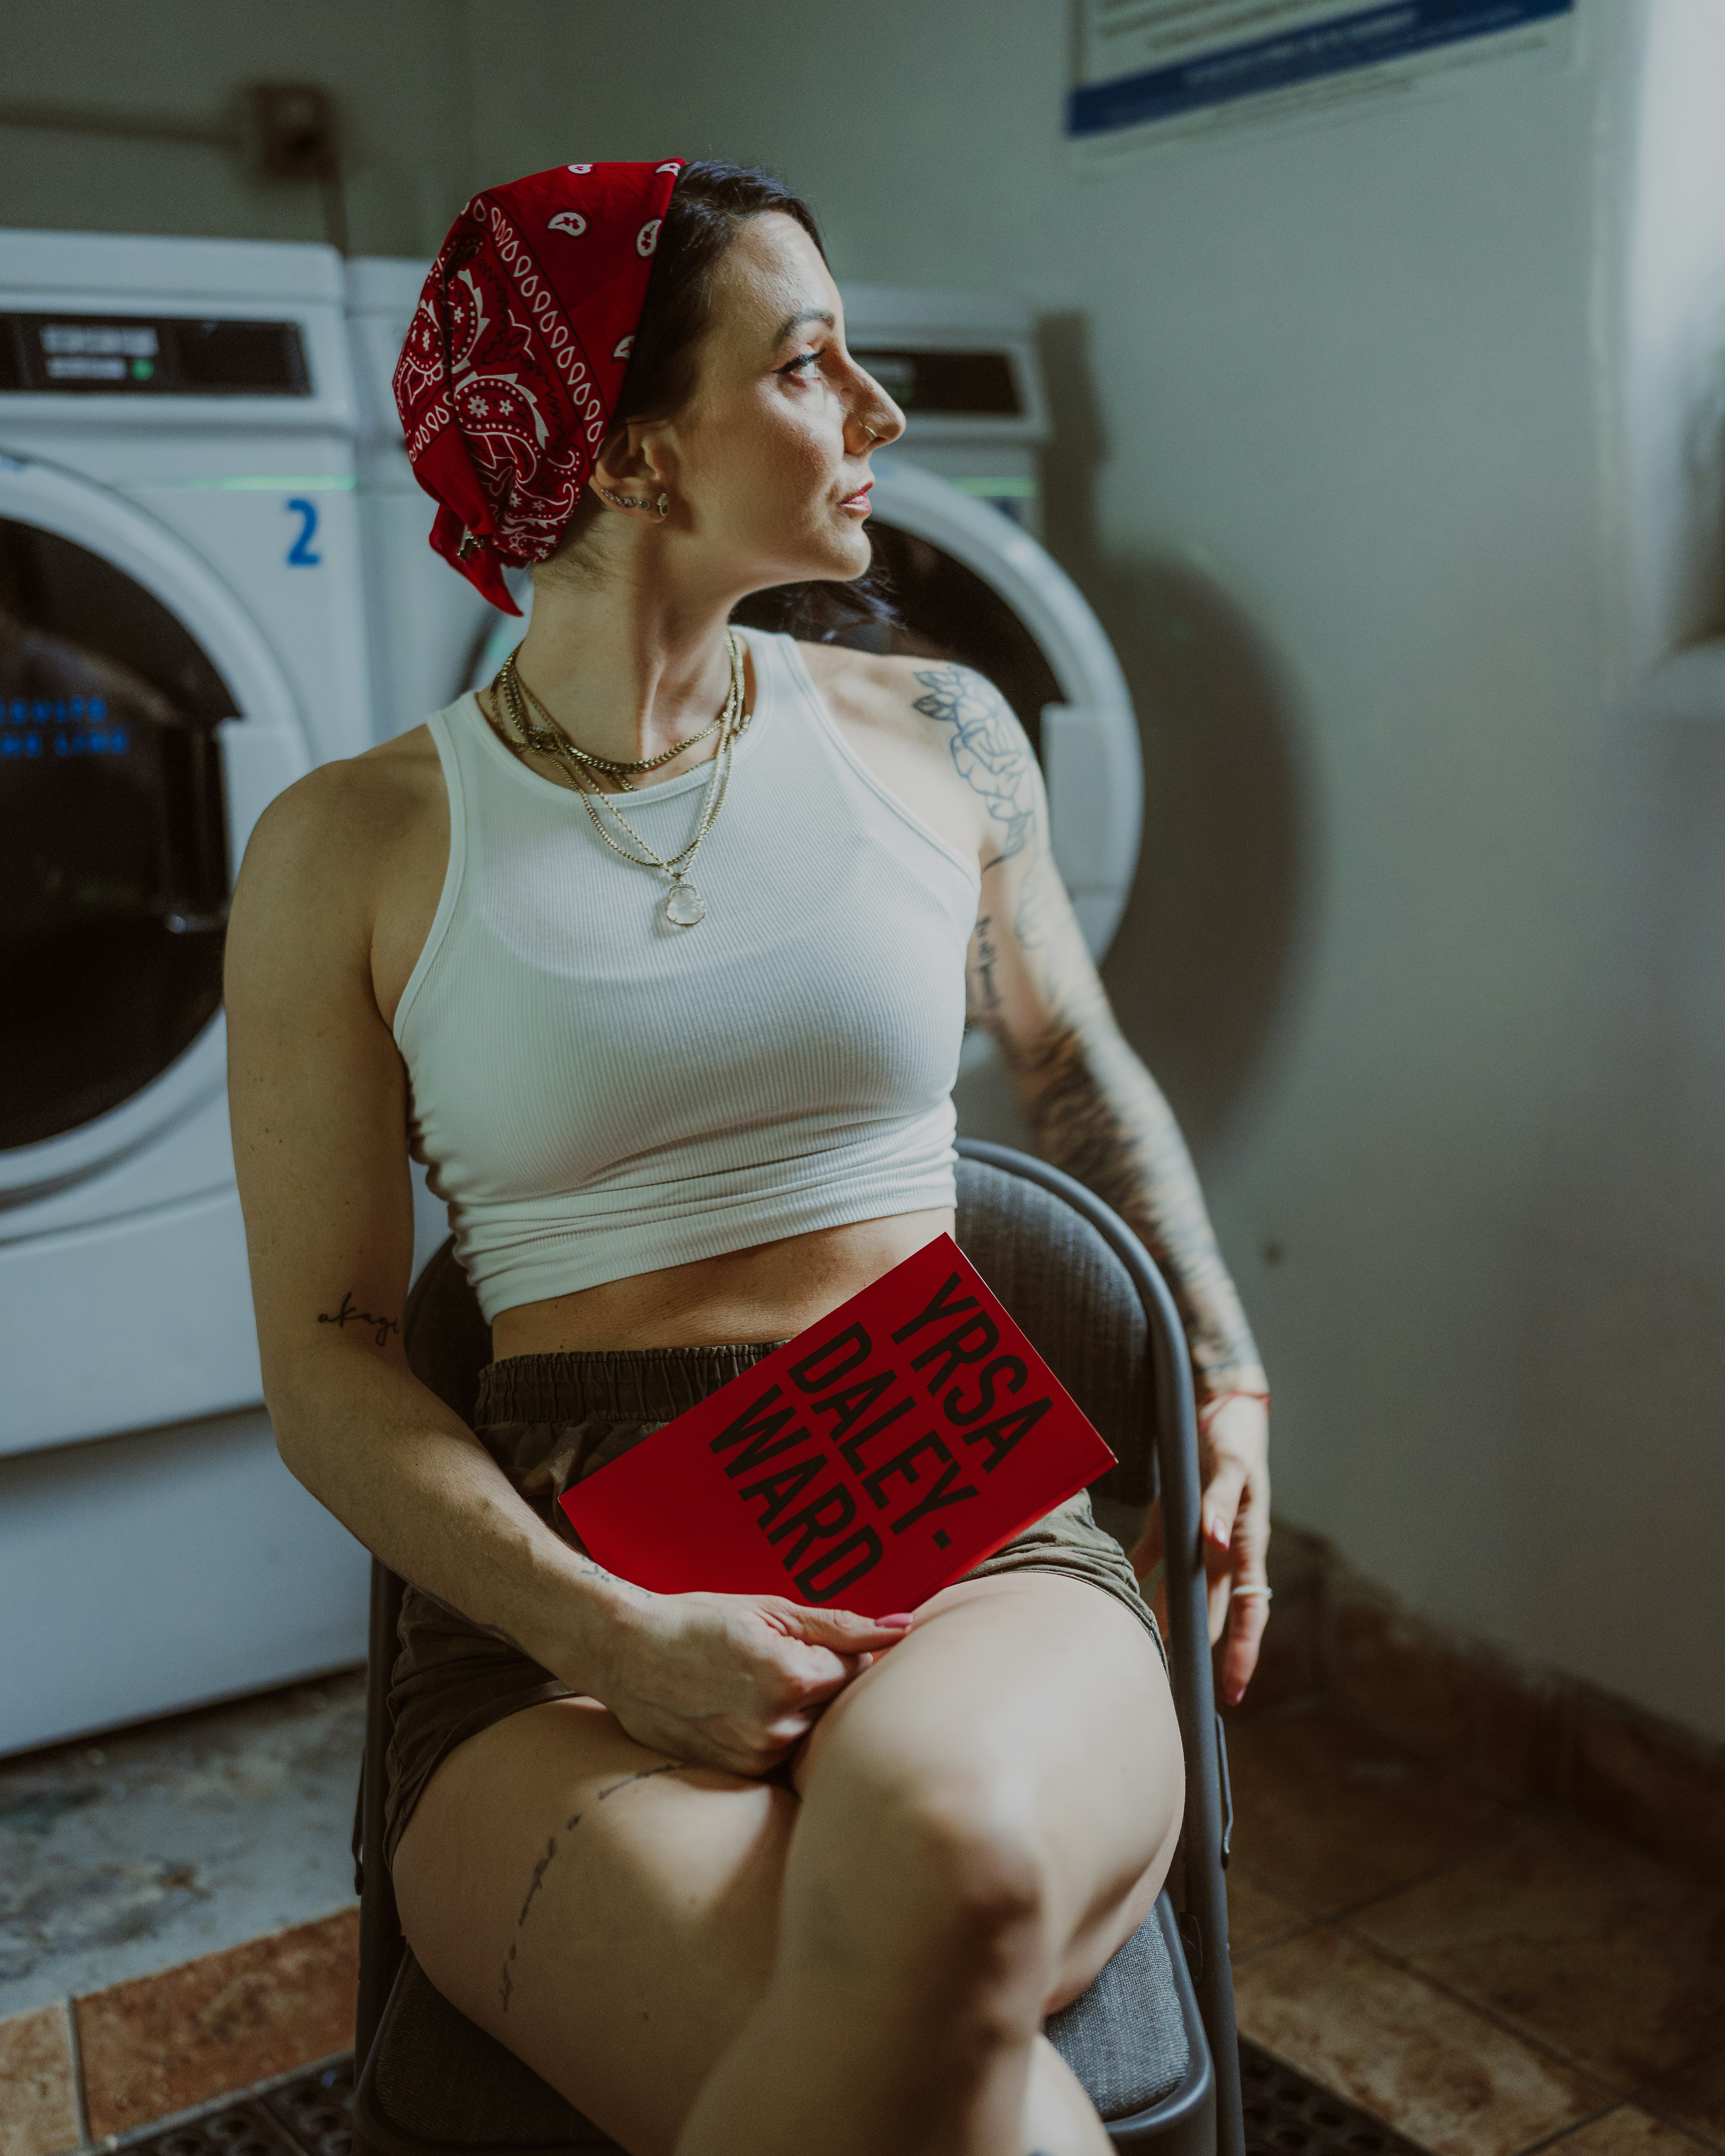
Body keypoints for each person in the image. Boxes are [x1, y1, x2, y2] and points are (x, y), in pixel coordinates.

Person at [227, 159, 1270, 2156]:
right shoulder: (345, 850)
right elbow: (331, 1358)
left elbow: (1073, 1061)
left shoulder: (938, 731)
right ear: (629, 451)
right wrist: (604, 1633)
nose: (880, 409)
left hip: (956, 1495)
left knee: (956, 1874)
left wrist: (1223, 1367)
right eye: (808, 365)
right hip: (566, 1594)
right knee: (925, 2098)